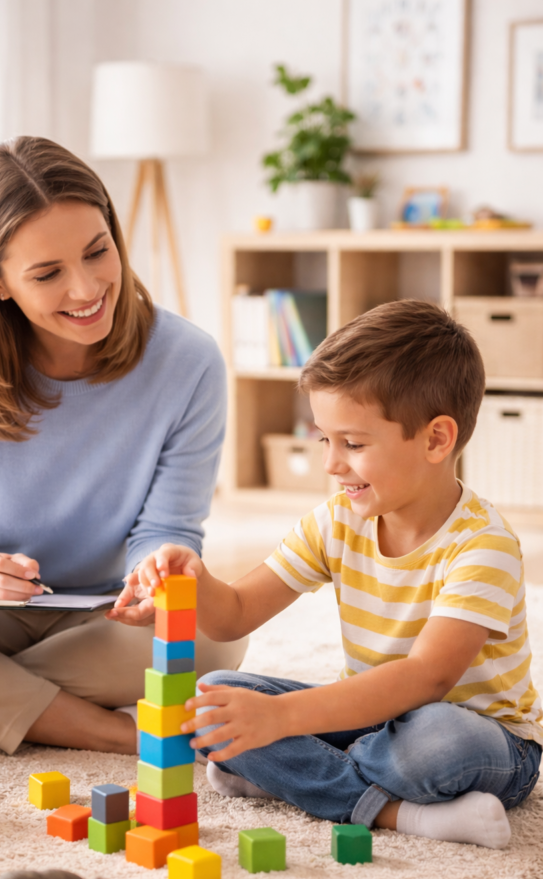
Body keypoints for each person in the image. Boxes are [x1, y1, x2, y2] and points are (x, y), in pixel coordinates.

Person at [0, 136, 246, 754]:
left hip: (102, 614)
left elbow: (170, 527)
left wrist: (151, 576)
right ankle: (115, 731)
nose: (87, 288)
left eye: (99, 252)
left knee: (216, 634)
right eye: (47, 273)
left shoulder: (189, 361)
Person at [114, 300, 542, 849]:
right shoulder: (338, 520)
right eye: (324, 439)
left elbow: (425, 679)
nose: (330, 464)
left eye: (354, 444)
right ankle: (399, 814)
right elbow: (236, 615)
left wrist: (280, 721)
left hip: (483, 741)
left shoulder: (484, 544)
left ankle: (295, 776)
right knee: (215, 697)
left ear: (436, 439)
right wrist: (194, 580)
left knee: (434, 742)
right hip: (371, 721)